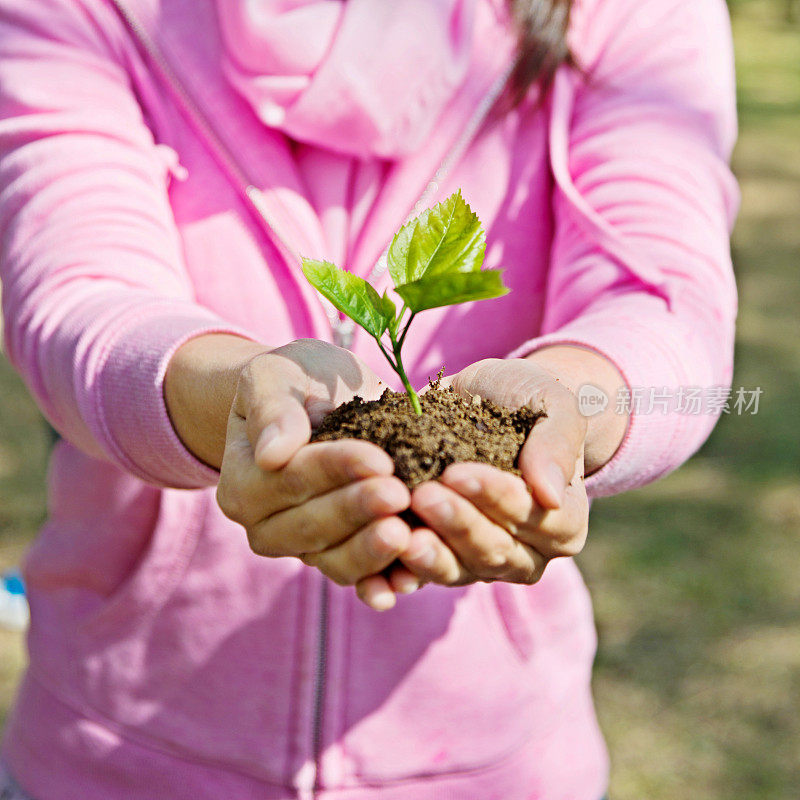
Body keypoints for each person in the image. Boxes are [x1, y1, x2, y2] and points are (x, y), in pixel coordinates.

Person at [0, 0, 738, 797]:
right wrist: (235, 398)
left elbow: (664, 297)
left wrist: (570, 403)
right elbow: (79, 294)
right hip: (114, 754)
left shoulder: (625, 13)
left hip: (495, 760)